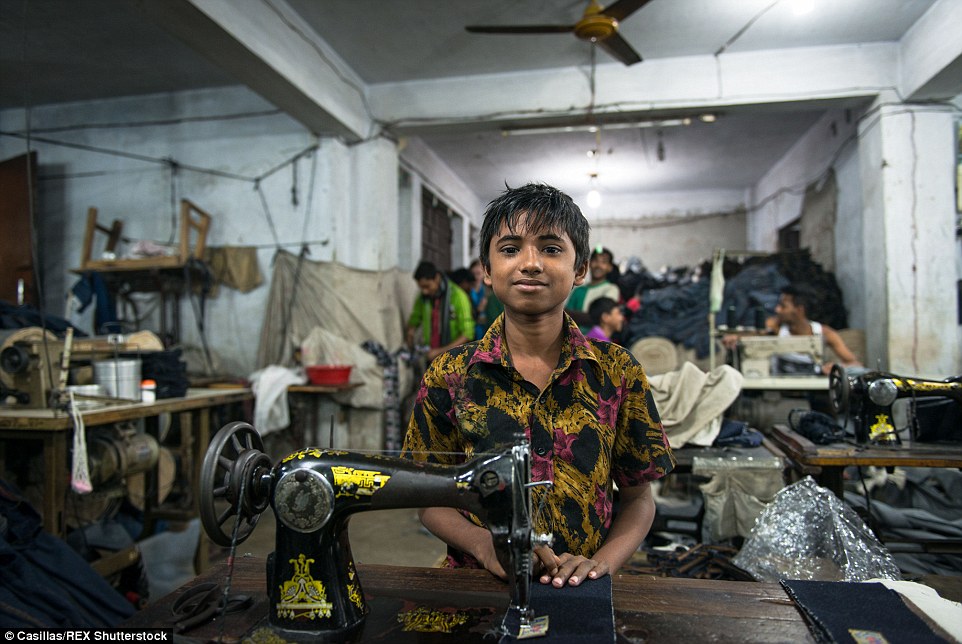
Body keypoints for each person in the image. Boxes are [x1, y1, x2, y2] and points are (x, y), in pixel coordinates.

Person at [402, 183, 675, 589]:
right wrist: (483, 544)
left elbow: (638, 499)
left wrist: (600, 564)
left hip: (584, 586)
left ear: (579, 268)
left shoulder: (618, 372)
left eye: (550, 248)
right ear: (488, 270)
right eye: (510, 249)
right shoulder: (449, 374)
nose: (530, 263)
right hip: (479, 586)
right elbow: (426, 497)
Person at [722, 285, 861, 375]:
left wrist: (837, 368)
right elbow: (753, 335)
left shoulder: (825, 333)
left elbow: (855, 363)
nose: (777, 310)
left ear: (799, 310)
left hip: (813, 393)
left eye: (783, 306)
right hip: (780, 392)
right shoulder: (775, 326)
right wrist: (736, 337)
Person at [405, 261, 475, 361]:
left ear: (437, 278)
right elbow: (415, 318)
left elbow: (467, 334)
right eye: (421, 288)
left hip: (454, 359)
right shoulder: (423, 298)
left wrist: (440, 351)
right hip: (431, 356)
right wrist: (410, 331)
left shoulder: (458, 297)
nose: (424, 291)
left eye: (427, 286)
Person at [565, 246, 620, 329]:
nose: (598, 265)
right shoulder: (579, 290)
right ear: (589, 264)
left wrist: (574, 315)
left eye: (604, 262)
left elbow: (602, 318)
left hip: (597, 339)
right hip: (574, 339)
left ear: (609, 268)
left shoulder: (611, 289)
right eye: (595, 260)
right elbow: (565, 316)